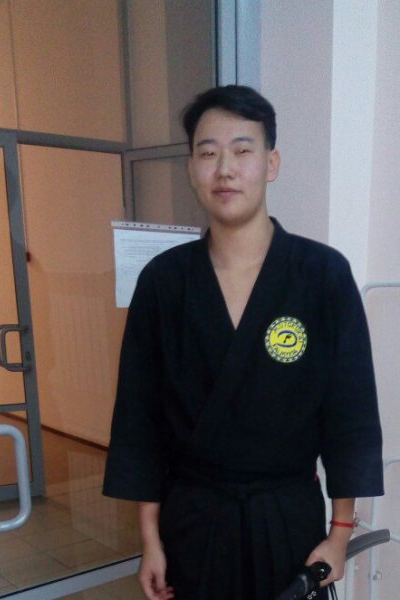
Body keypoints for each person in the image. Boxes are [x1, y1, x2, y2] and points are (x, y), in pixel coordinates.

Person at [103, 85, 383, 599]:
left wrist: (340, 533)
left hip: (289, 521)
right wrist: (150, 539)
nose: (225, 169)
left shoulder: (321, 274)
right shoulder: (164, 281)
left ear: (271, 163)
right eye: (208, 153)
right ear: (191, 168)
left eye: (242, 150)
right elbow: (140, 419)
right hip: (193, 521)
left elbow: (351, 412)